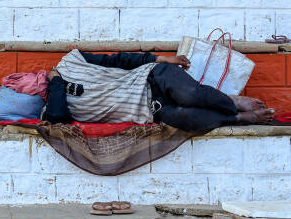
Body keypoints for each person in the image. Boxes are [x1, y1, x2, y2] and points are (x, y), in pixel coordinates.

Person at [42, 50, 274, 131]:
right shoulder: (53, 108)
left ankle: (232, 102)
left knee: (190, 95)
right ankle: (238, 118)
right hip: (153, 109)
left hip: (153, 77)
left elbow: (119, 60)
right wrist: (56, 84)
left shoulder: (71, 61)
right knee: (187, 118)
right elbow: (58, 117)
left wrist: (161, 58)